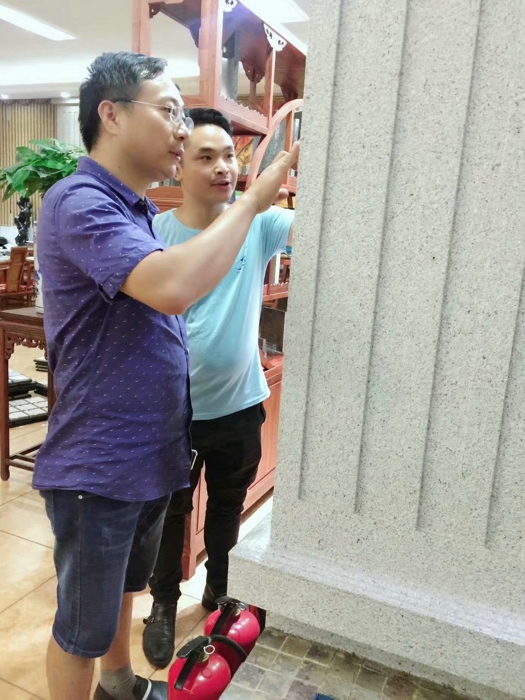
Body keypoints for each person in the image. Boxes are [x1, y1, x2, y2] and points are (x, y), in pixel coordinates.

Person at [33, 52, 298, 700]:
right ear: (112, 115)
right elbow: (172, 287)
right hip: (100, 460)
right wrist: (253, 199)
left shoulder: (131, 209)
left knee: (125, 589)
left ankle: (119, 686)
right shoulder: (80, 203)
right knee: (81, 627)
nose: (181, 130)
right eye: (170, 112)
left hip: (148, 449)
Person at [142, 108, 294, 669]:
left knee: (228, 507)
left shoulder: (259, 223)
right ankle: (162, 603)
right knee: (169, 513)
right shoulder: (154, 233)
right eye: (205, 157)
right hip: (170, 410)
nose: (222, 167)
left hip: (239, 404)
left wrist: (297, 157)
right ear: (178, 166)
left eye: (229, 155)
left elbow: (331, 220)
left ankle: (219, 591)